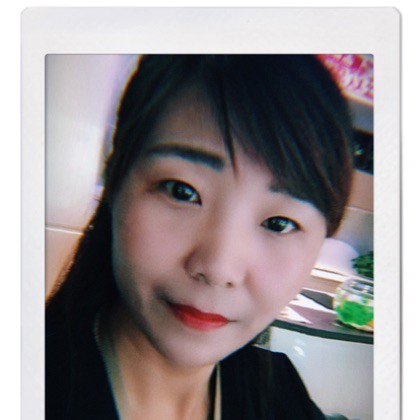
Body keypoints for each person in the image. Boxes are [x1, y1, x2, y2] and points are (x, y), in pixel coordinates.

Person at [46, 55, 354, 420]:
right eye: (182, 191)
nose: (218, 268)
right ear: (116, 180)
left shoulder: (283, 399)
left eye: (278, 223)